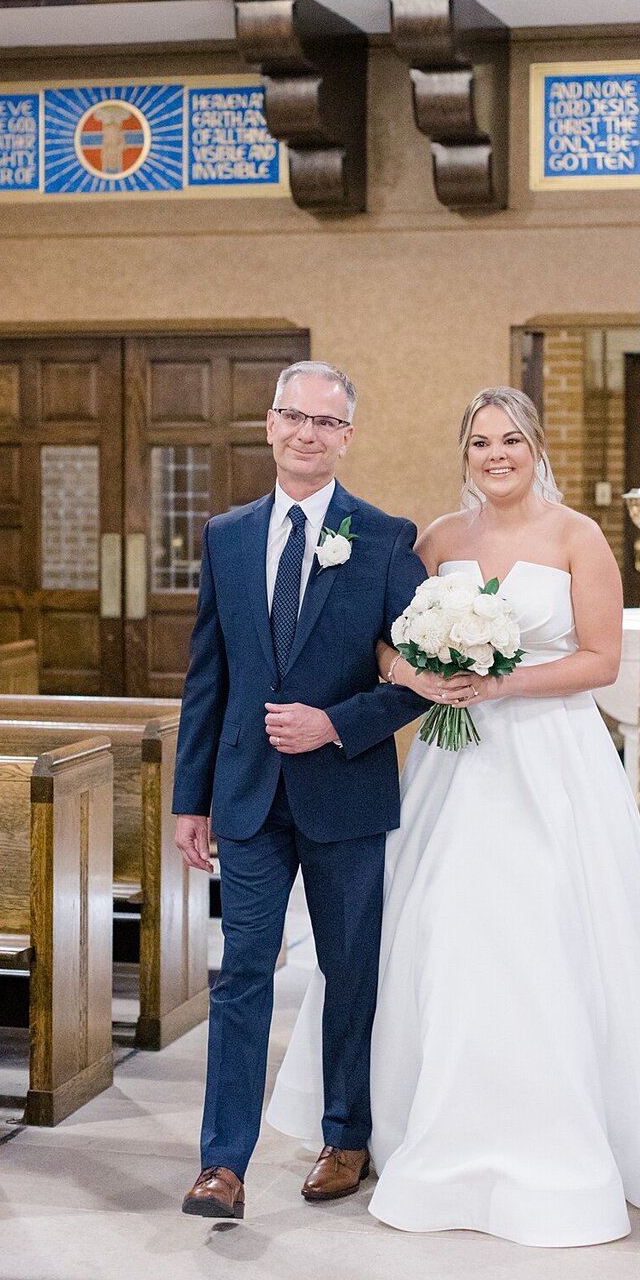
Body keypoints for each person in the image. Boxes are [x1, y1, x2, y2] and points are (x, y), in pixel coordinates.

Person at [268, 385, 640, 1248]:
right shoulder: (434, 539)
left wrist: (500, 681)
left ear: (537, 446)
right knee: (437, 927)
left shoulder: (578, 537)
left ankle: (569, 1121)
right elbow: (381, 639)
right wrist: (422, 674)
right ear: (463, 454)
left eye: (511, 440)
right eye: (479, 443)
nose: (496, 455)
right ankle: (398, 1121)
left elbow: (599, 659)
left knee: (552, 926)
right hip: (452, 754)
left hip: (552, 757)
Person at [173, 360, 429, 1221]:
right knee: (242, 973)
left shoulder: (387, 539)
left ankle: (346, 1136)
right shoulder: (229, 535)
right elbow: (207, 677)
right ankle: (222, 1164)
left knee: (350, 970)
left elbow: (420, 676)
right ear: (272, 425)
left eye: (327, 422)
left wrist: (337, 722)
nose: (308, 433)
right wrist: (189, 797)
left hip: (345, 790)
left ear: (347, 436)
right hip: (246, 794)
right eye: (295, 417)